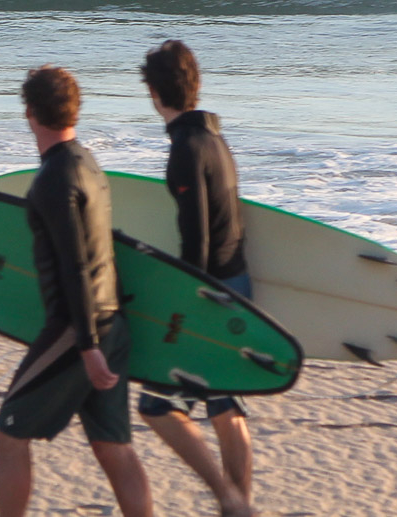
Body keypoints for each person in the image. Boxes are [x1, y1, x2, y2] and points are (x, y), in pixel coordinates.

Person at [0, 65, 153, 517]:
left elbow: (74, 265)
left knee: (8, 435)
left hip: (78, 329)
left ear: (29, 113)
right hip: (112, 321)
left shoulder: (52, 179)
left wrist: (86, 346)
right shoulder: (88, 164)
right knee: (113, 446)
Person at [137, 40, 254, 517]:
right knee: (225, 405)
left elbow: (197, 238)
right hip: (239, 284)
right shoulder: (215, 139)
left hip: (209, 293)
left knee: (157, 407)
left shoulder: (186, 148)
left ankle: (229, 499)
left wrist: (184, 302)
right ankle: (241, 504)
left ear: (153, 92)